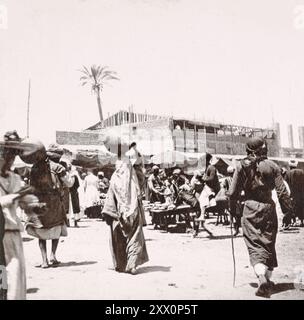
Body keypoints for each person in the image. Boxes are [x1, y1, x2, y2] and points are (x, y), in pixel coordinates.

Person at [227, 137, 293, 298]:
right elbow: (282, 191)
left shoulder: (241, 165)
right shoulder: (273, 166)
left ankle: (261, 277)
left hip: (250, 208)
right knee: (268, 243)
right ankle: (267, 278)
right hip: (268, 208)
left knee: (254, 244)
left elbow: (232, 192)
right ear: (263, 149)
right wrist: (287, 212)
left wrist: (233, 210)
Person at [21, 138, 75, 269]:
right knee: (56, 228)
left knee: (42, 231)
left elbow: (31, 187)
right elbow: (69, 183)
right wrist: (71, 174)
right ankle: (53, 256)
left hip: (40, 204)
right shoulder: (58, 168)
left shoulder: (34, 168)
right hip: (55, 203)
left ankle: (44, 260)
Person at [0, 131, 41, 299]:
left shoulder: (14, 177)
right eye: (6, 154)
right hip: (0, 237)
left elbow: (26, 201)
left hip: (13, 234)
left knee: (16, 283)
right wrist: (17, 195)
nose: (9, 159)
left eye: (12, 155)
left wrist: (35, 206)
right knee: (3, 280)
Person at [102, 146, 149, 275]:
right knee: (135, 236)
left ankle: (121, 264)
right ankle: (132, 265)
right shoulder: (135, 175)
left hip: (118, 212)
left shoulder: (115, 177)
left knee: (118, 236)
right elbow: (142, 180)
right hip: (132, 210)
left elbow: (110, 199)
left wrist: (109, 214)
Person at [198, 153, 220, 219]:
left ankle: (202, 215)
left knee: (202, 198)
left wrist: (202, 178)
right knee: (200, 198)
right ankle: (202, 214)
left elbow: (211, 179)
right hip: (208, 187)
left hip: (213, 188)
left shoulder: (211, 168)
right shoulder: (207, 168)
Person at [284, 160, 304, 227]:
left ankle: (293, 221)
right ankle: (302, 221)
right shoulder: (302, 172)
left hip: (292, 193)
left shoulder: (288, 173)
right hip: (301, 193)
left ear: (289, 166)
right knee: (301, 206)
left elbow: (285, 183)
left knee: (292, 207)